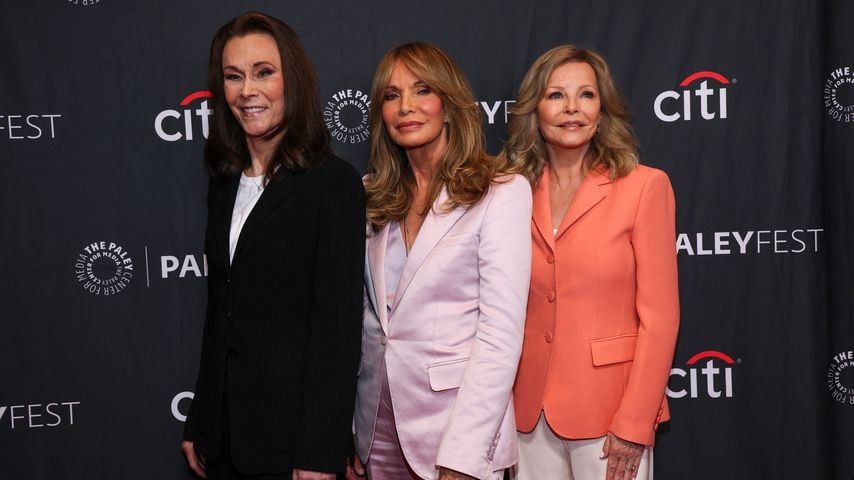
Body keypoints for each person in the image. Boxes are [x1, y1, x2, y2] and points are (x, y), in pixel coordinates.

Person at [180, 11, 365, 480]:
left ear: (293, 80)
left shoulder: (332, 184)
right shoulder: (224, 182)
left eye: (263, 72)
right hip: (221, 438)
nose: (248, 90)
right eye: (233, 76)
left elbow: (337, 331)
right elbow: (220, 312)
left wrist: (319, 453)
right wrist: (200, 417)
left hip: (291, 446)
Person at [350, 42, 532, 480]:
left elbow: (500, 334)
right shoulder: (370, 194)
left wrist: (463, 456)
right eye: (391, 95)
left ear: (449, 104)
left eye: (422, 90)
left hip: (454, 430)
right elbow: (366, 319)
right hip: (377, 429)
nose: (405, 107)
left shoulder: (500, 191)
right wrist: (353, 431)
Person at [503, 45, 679, 480]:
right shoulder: (510, 191)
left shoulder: (644, 187)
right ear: (535, 110)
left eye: (586, 95)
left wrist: (635, 422)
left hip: (611, 412)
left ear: (602, 110)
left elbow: (660, 319)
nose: (572, 108)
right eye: (556, 95)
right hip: (527, 411)